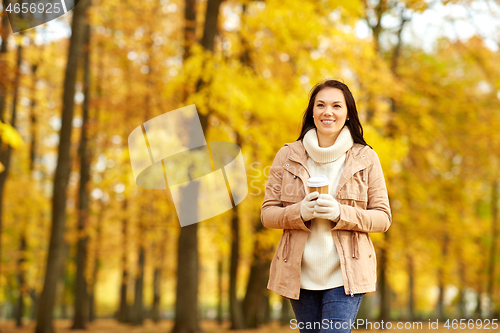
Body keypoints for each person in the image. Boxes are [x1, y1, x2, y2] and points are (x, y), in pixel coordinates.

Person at [260, 79, 392, 333]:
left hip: (346, 274)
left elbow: (383, 217)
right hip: (299, 273)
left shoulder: (365, 157)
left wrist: (341, 213)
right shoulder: (287, 156)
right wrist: (298, 212)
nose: (327, 112)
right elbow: (267, 213)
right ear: (312, 111)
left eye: (336, 106)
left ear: (347, 113)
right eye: (320, 105)